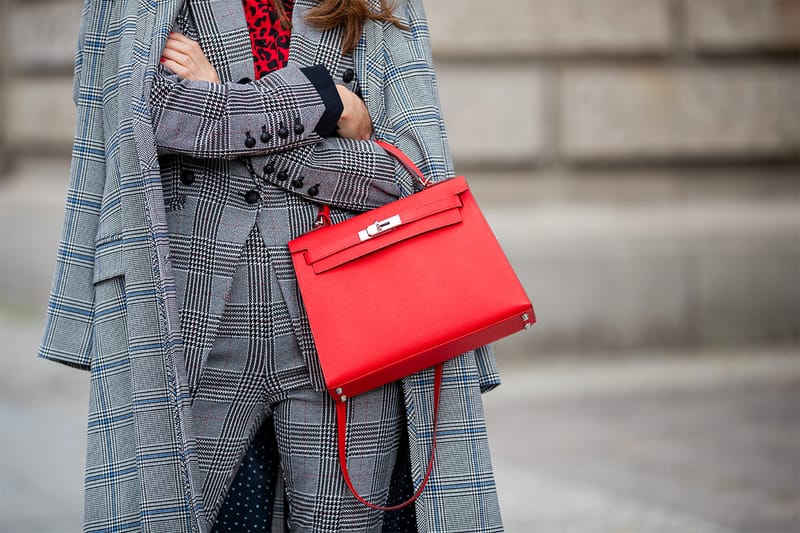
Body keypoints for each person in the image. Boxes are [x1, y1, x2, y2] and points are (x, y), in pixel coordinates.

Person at [39, 0, 503, 531]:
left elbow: (407, 174)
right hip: (190, 317)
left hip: (351, 323)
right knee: (161, 515)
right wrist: (326, 101)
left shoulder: (379, 6)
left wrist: (224, 105)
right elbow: (153, 116)